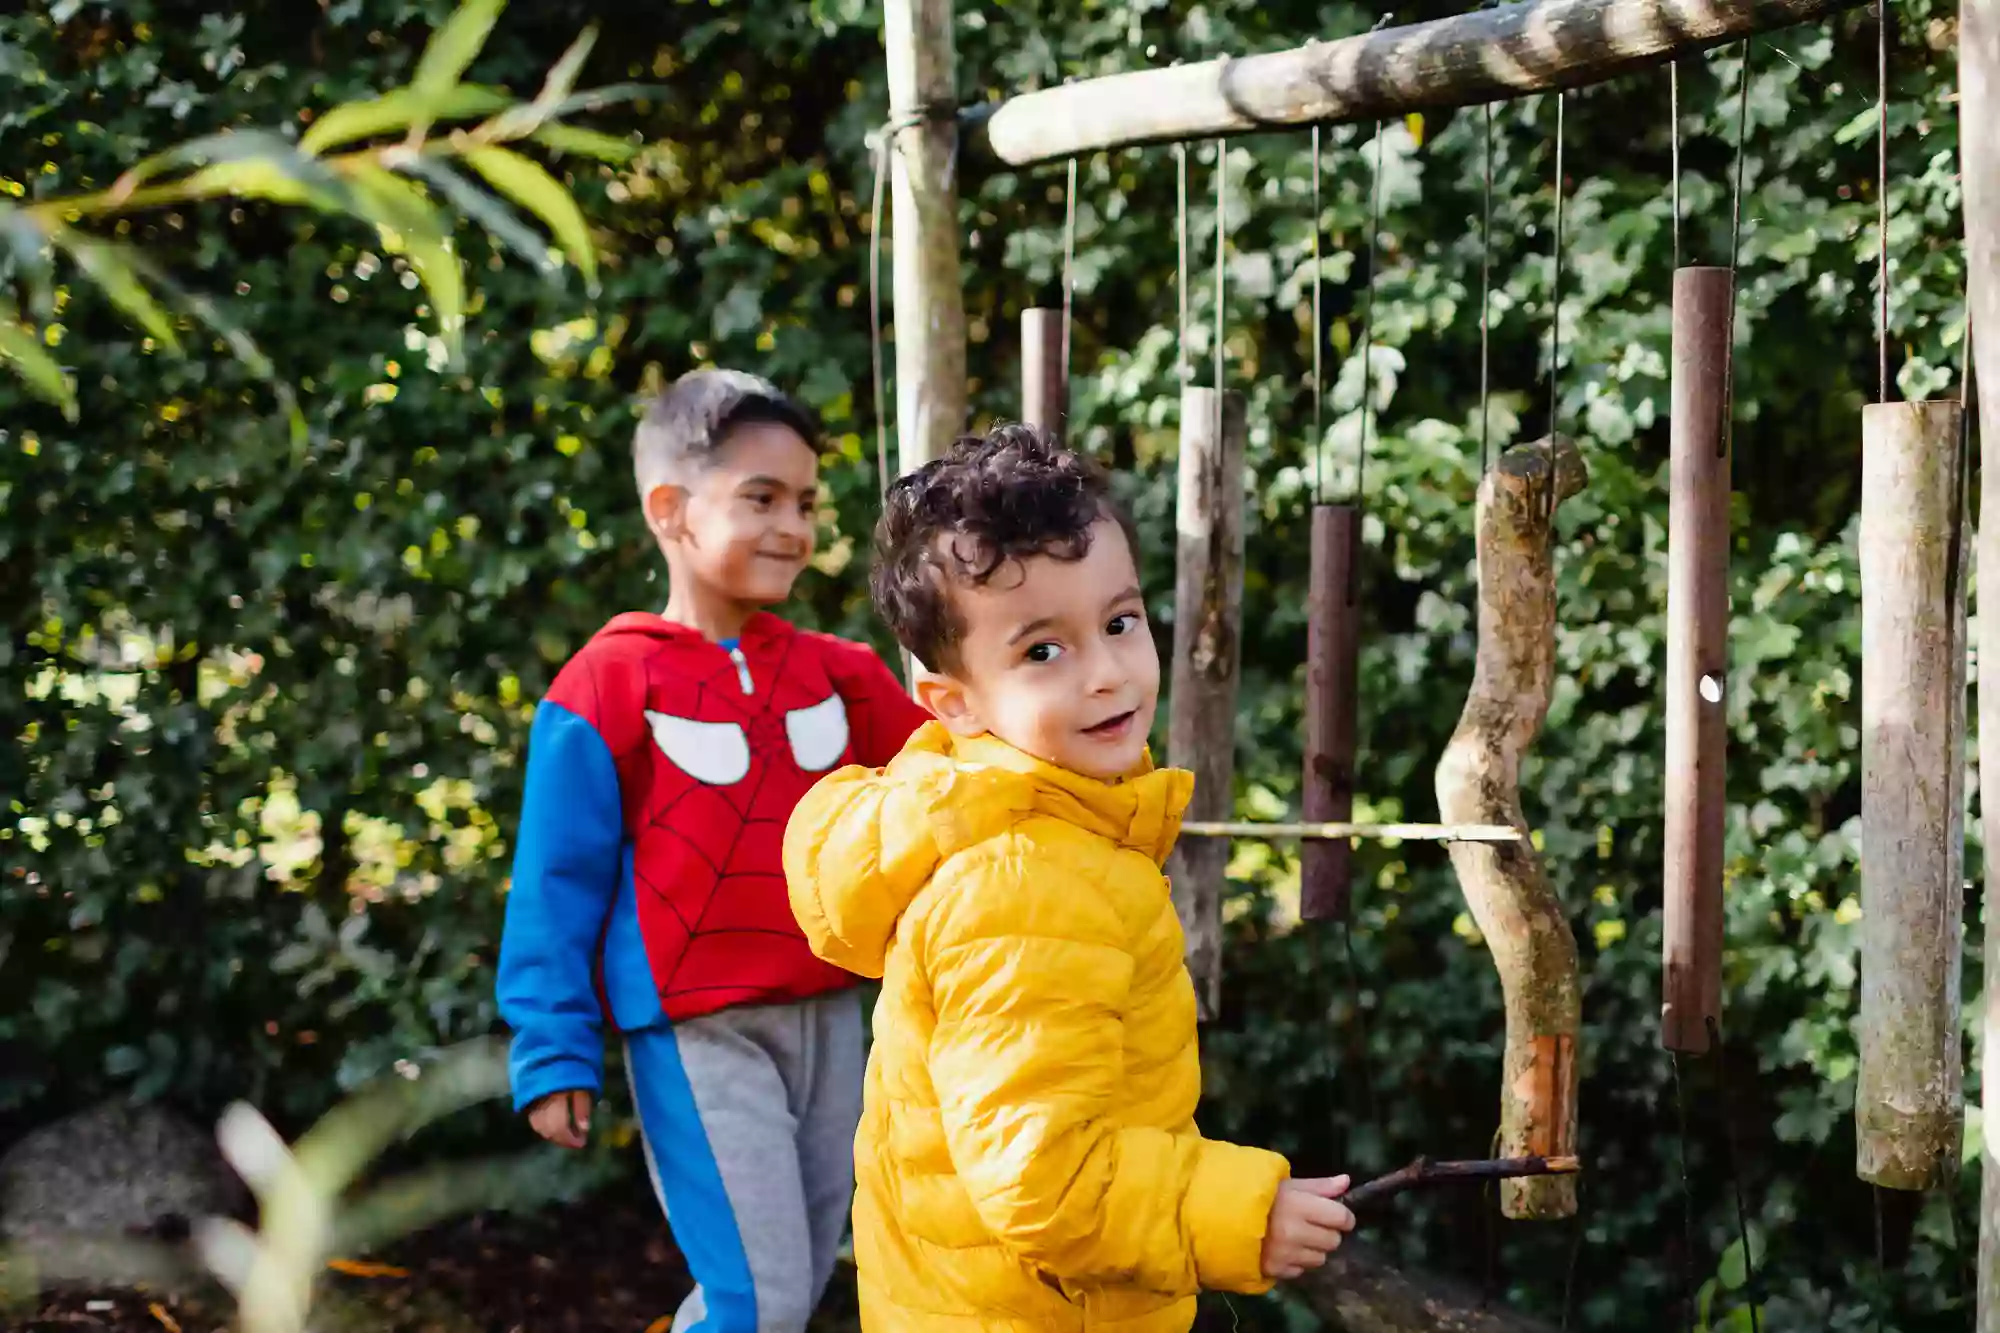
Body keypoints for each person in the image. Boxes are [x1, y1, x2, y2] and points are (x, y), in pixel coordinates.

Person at [782, 423, 1356, 1332]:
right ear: (955, 703)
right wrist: (1240, 1212)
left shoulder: (1053, 827)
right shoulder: (1019, 883)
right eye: (1042, 651)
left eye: (1120, 622)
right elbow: (1042, 1175)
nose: (1106, 674)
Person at [496, 369, 931, 1333]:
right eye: (761, 498)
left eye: (807, 503)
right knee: (756, 1297)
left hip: (829, 1011)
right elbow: (554, 884)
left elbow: (948, 780)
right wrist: (553, 1047)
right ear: (670, 510)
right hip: (699, 1029)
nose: (793, 526)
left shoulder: (839, 672)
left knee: (806, 1274)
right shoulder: (605, 682)